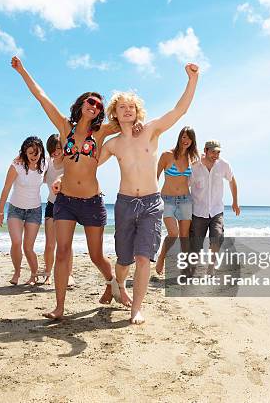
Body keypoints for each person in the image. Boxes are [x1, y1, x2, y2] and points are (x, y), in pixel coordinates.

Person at [11, 56, 122, 320]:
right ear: (81, 104)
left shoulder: (102, 132)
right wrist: (22, 70)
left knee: (96, 255)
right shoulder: (65, 128)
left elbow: (129, 119)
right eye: (90, 102)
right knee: (62, 251)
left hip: (92, 201)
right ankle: (59, 307)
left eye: (99, 105)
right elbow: (41, 96)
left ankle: (111, 281)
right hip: (66, 201)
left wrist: (136, 122)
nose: (94, 106)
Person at [98, 63, 199, 324]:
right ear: (115, 114)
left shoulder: (151, 130)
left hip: (152, 203)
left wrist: (192, 79)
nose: (128, 110)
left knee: (144, 258)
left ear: (138, 111)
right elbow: (88, 166)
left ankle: (137, 309)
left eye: (132, 106)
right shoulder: (112, 144)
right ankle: (116, 284)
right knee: (124, 259)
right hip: (124, 203)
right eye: (122, 107)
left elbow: (180, 110)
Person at [0, 136, 46, 285]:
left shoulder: (45, 164)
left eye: (36, 153)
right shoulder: (16, 165)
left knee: (28, 247)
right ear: (24, 152)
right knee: (16, 242)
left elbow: (59, 155)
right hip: (16, 209)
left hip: (34, 210)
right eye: (30, 153)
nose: (34, 156)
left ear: (41, 152)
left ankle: (33, 274)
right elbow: (6, 189)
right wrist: (0, 212)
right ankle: (17, 272)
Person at [189, 140, 240, 271]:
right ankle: (192, 268)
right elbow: (184, 185)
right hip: (198, 211)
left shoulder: (224, 165)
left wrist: (235, 201)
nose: (215, 155)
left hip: (217, 210)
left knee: (217, 238)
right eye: (213, 152)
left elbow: (232, 181)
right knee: (196, 244)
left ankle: (210, 268)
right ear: (205, 150)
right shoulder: (194, 166)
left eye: (218, 152)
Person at [155, 126, 199, 274]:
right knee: (173, 233)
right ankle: (162, 257)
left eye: (189, 138)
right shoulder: (167, 155)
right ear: (179, 137)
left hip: (186, 200)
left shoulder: (192, 159)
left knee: (184, 236)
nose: (186, 140)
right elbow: (155, 176)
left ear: (193, 141)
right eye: (184, 137)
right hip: (167, 200)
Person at [39, 134, 74, 286]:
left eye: (59, 148)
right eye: (53, 149)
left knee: (66, 244)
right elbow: (33, 164)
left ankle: (70, 274)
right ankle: (48, 273)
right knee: (50, 244)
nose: (56, 152)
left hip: (67, 206)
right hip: (52, 205)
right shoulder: (47, 162)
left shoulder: (69, 162)